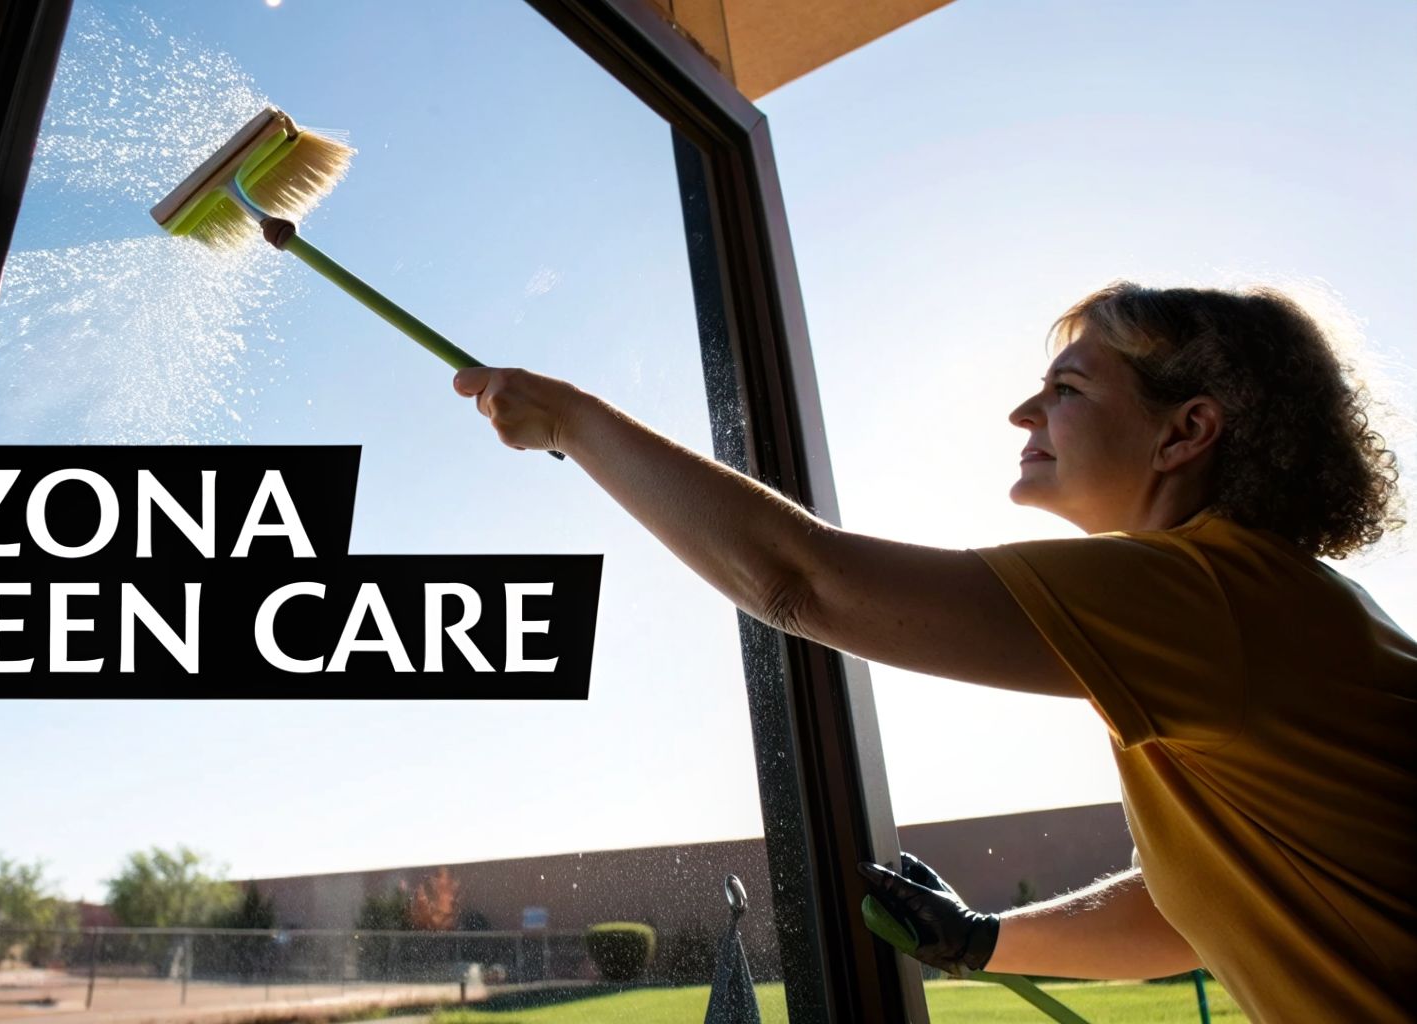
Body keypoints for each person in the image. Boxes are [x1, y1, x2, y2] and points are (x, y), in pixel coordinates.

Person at [451, 282, 1414, 1022]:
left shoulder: (1207, 600)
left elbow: (800, 581)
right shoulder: (1265, 610)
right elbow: (1184, 912)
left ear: (1186, 432)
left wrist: (571, 418)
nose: (1022, 417)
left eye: (1066, 390)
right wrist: (987, 939)